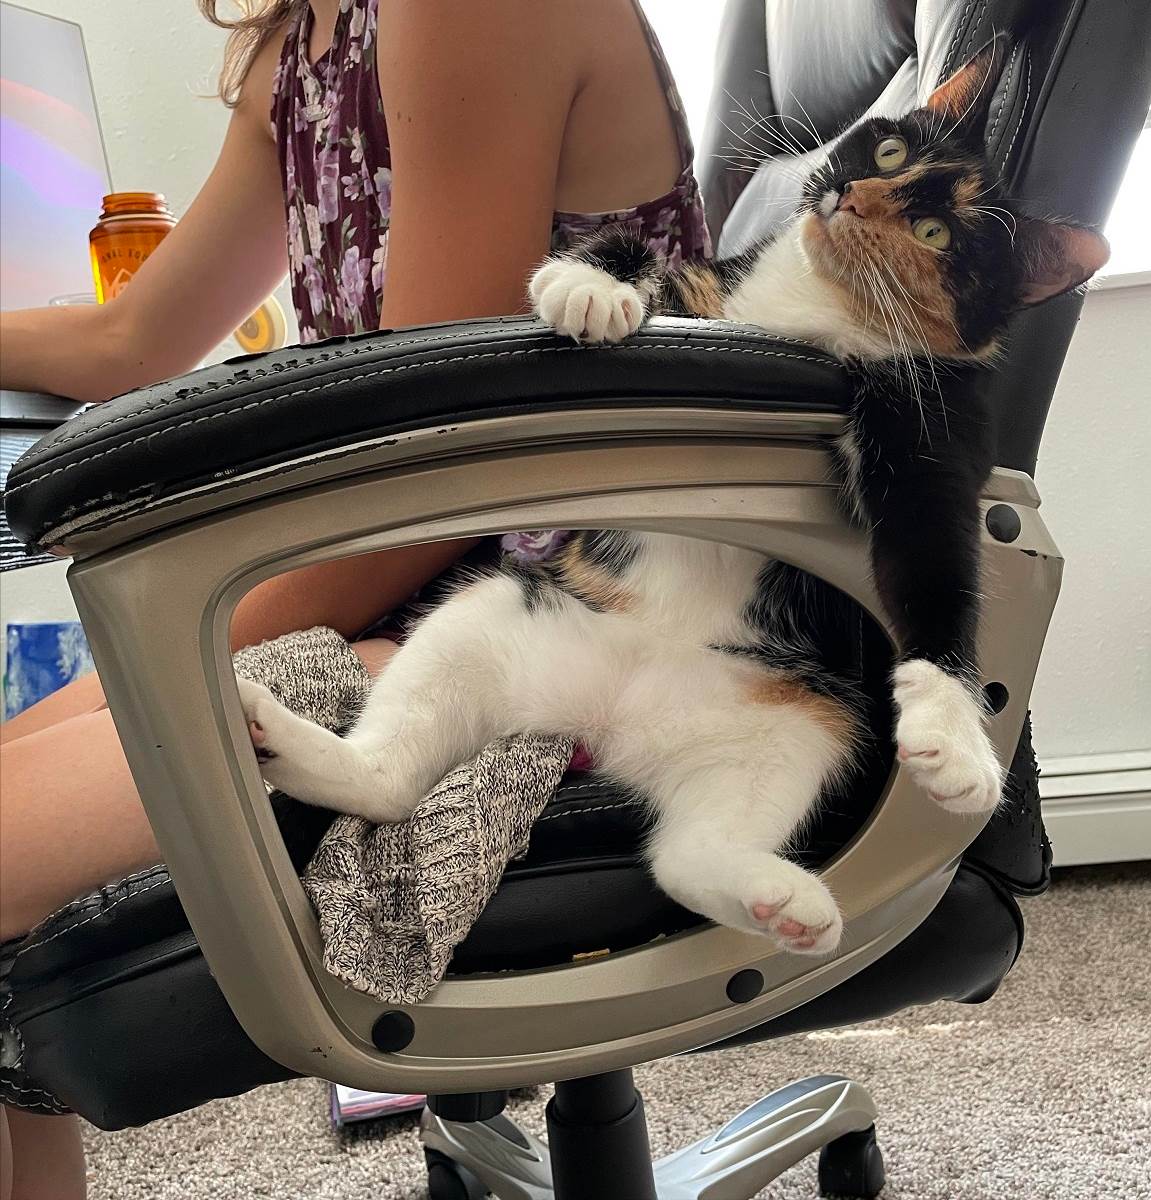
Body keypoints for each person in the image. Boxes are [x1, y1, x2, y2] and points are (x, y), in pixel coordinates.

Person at [0, 1, 710, 1196]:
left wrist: (177, 641)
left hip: (565, 625)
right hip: (418, 590)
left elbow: (430, 472)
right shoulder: (300, 45)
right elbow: (132, 337)